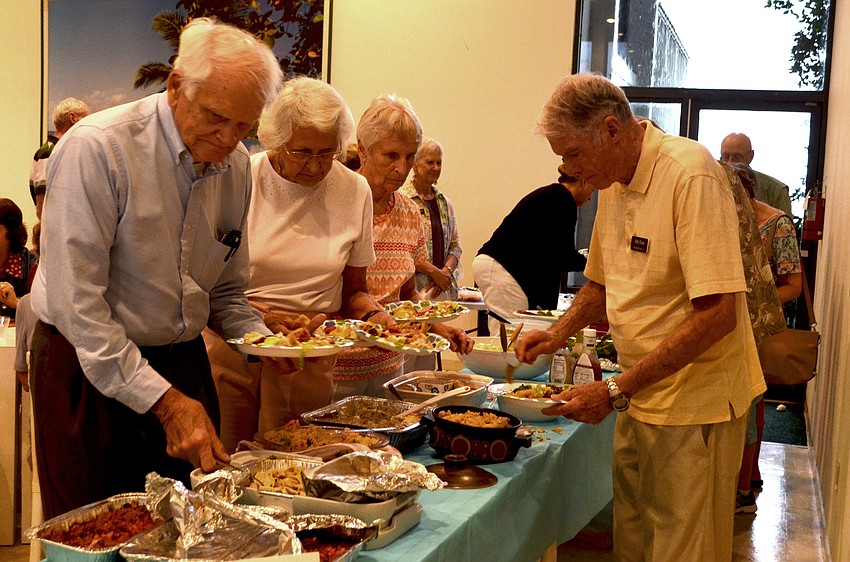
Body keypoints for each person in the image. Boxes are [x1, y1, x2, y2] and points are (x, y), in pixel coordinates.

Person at [28, 18, 283, 519]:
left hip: (182, 367)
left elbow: (226, 291)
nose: (230, 139)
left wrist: (264, 342)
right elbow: (79, 309)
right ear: (174, 88)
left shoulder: (234, 167)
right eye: (216, 117)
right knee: (97, 535)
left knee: (185, 531)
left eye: (244, 126)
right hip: (87, 369)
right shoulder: (97, 149)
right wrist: (165, 403)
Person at [515, 74, 765, 561]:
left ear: (610, 130)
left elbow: (718, 316)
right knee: (634, 543)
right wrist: (556, 335)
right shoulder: (613, 180)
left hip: (696, 404)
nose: (568, 169)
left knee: (681, 549)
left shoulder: (690, 173)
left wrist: (613, 389)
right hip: (640, 394)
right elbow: (602, 285)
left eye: (571, 154)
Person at [202, 76, 383, 452]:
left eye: (327, 153)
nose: (316, 167)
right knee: (223, 458)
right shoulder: (241, 178)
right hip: (235, 341)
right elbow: (203, 283)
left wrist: (376, 318)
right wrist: (262, 317)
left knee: (294, 462)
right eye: (302, 152)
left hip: (309, 354)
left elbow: (355, 291)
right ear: (276, 141)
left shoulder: (354, 190)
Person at [332, 94, 473, 399]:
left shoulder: (410, 212)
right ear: (364, 148)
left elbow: (407, 294)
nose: (403, 167)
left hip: (390, 367)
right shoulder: (336, 202)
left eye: (410, 156)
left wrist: (438, 328)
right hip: (337, 368)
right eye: (391, 155)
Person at [729, 162, 802, 514]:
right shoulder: (724, 221)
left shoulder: (777, 225)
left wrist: (755, 298)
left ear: (749, 191)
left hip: (757, 327)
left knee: (750, 405)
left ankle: (743, 486)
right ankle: (740, 479)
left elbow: (794, 285)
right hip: (724, 325)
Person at [473, 165, 592, 334]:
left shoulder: (554, 196)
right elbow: (562, 255)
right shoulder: (563, 199)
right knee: (511, 339)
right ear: (583, 182)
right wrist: (594, 264)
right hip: (504, 270)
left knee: (514, 337)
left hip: (499, 267)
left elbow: (550, 253)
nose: (590, 198)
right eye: (593, 190)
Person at [400, 138, 463, 300]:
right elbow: (401, 250)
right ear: (415, 165)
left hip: (442, 289)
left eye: (439, 163)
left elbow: (455, 247)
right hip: (411, 291)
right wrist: (435, 274)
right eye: (429, 162)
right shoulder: (402, 200)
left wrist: (445, 273)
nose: (435, 168)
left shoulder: (444, 203)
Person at [29, 98, 90, 221]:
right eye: (85, 119)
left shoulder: (60, 150)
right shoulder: (49, 152)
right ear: (72, 118)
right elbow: (42, 208)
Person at [720, 132, 793, 218]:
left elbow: (786, 228)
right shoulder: (712, 184)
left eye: (737, 157)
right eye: (725, 157)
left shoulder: (775, 190)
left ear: (751, 156)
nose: (730, 163)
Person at [0, 198, 38, 317]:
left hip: (19, 334)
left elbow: (45, 316)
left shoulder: (32, 266)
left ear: (11, 232)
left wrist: (16, 302)